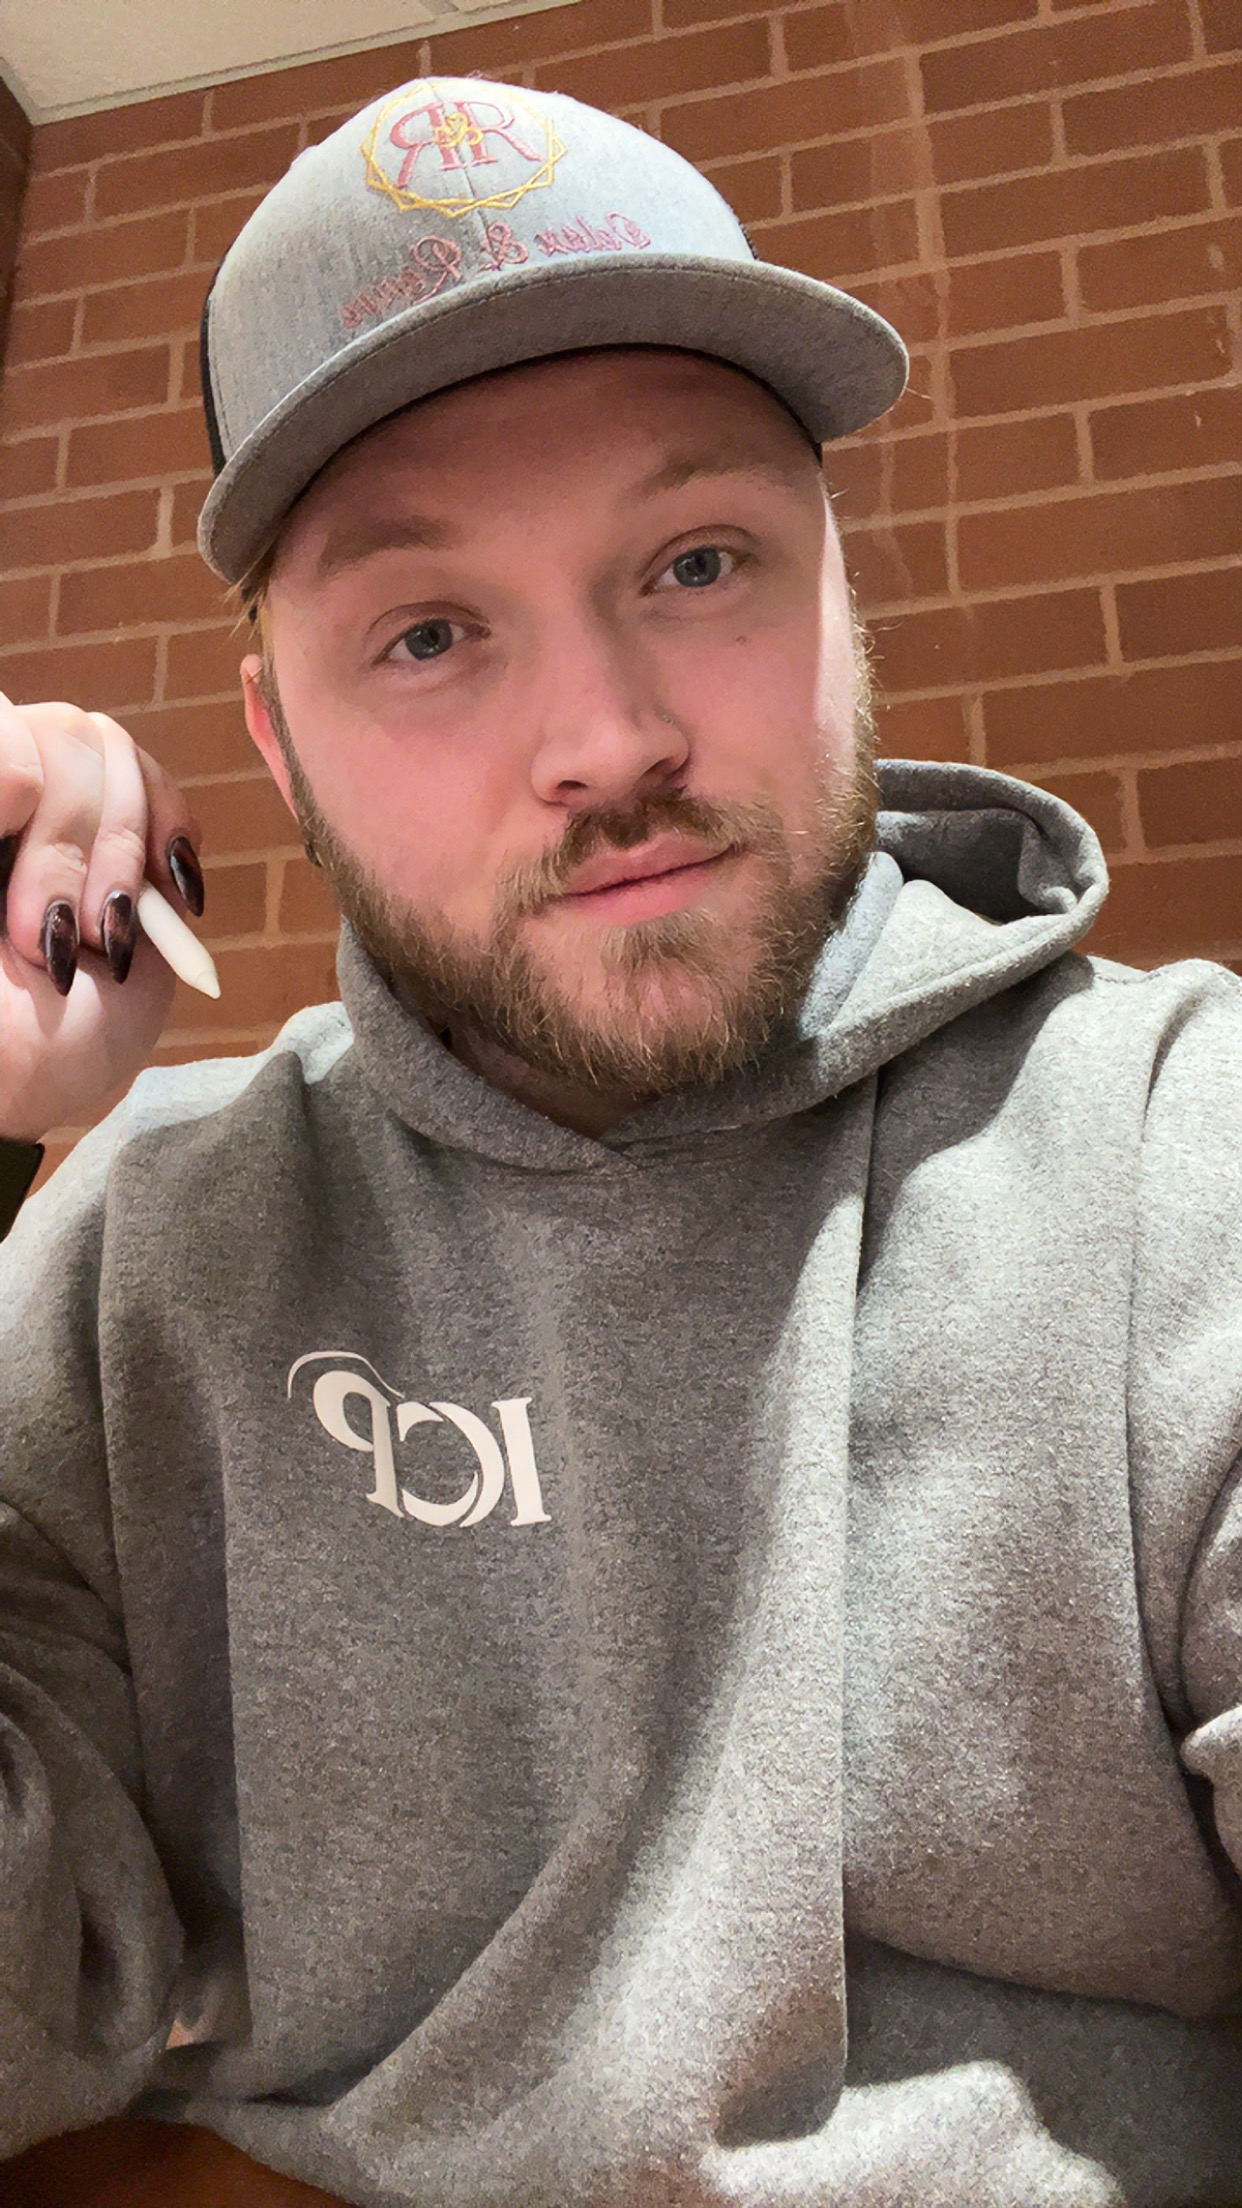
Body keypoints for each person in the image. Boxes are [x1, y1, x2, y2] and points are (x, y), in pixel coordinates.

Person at [0, 74, 1239, 2208]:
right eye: (428, 634)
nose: (607, 738)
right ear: (278, 745)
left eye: (696, 562)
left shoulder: (1178, 1147)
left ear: (838, 586)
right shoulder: (146, 1252)